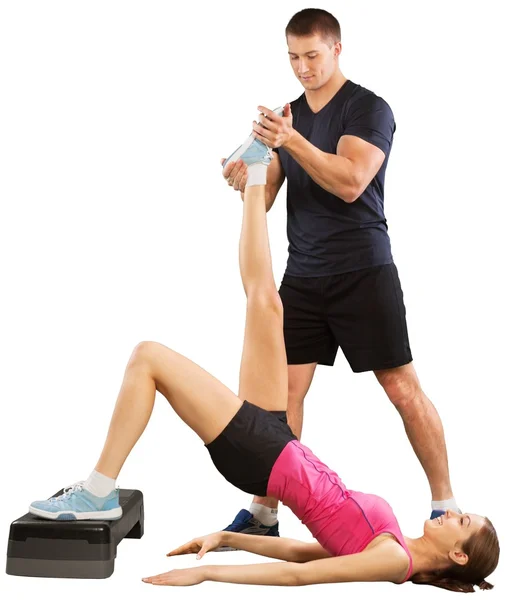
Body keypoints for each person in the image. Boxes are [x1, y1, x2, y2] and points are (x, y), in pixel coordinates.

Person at [28, 140, 499, 591]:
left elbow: (298, 578)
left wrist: (208, 574)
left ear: (458, 554)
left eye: (461, 521)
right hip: (279, 444)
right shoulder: (396, 546)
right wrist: (228, 539)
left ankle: (98, 493)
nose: (451, 514)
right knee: (265, 302)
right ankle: (257, 170)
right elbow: (302, 555)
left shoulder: (395, 560)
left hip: (262, 456)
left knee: (148, 356)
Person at [220, 8, 458, 540]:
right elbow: (267, 193)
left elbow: (351, 180)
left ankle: (445, 504)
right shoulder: (288, 114)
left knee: (401, 388)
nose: (302, 68)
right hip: (303, 277)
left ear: (336, 49)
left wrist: (291, 139)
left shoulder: (368, 108)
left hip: (363, 271)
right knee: (281, 395)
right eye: (292, 58)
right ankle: (264, 512)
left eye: (312, 56)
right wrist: (249, 170)